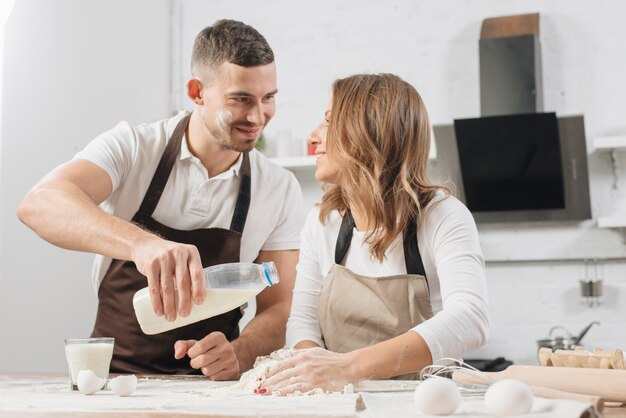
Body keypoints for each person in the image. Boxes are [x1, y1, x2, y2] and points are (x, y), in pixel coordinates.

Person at [16, 19, 304, 379]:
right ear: (197, 91)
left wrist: (240, 353)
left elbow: (280, 307)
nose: (257, 116)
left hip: (213, 393)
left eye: (268, 98)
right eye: (240, 99)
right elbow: (40, 203)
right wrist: (142, 246)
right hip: (111, 383)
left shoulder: (279, 187)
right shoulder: (133, 148)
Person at [259, 74, 489, 394]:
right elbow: (302, 322)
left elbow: (470, 318)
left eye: (328, 121)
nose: (313, 136)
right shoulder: (322, 221)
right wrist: (314, 377)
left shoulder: (442, 215)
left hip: (424, 402)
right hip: (339, 400)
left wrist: (347, 367)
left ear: (367, 133)